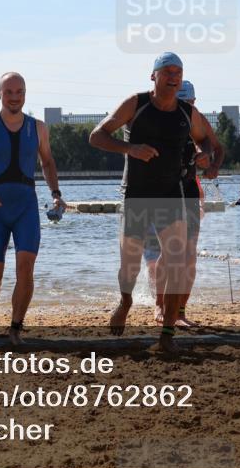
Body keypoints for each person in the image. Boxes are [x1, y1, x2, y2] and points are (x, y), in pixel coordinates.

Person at [89, 53, 219, 353]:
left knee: (175, 264)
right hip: (136, 193)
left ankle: (167, 335)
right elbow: (97, 136)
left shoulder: (187, 112)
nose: (173, 77)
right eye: (167, 71)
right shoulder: (136, 104)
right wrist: (130, 148)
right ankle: (126, 301)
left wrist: (205, 155)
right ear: (154, 76)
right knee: (129, 265)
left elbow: (210, 140)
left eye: (179, 72)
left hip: (171, 194)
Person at [0, 72, 65, 345]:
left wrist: (56, 195)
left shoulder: (38, 128)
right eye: (9, 92)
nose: (14, 97)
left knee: (25, 267)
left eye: (19, 91)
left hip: (25, 208)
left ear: (25, 94)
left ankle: (16, 328)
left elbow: (48, 163)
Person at [146, 80, 223, 327]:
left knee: (189, 257)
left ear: (194, 102)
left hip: (188, 191)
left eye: (187, 103)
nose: (182, 107)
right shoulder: (158, 120)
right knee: (170, 254)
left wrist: (211, 164)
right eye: (178, 102)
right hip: (161, 191)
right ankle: (160, 306)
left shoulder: (196, 119)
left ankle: (179, 311)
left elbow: (217, 147)